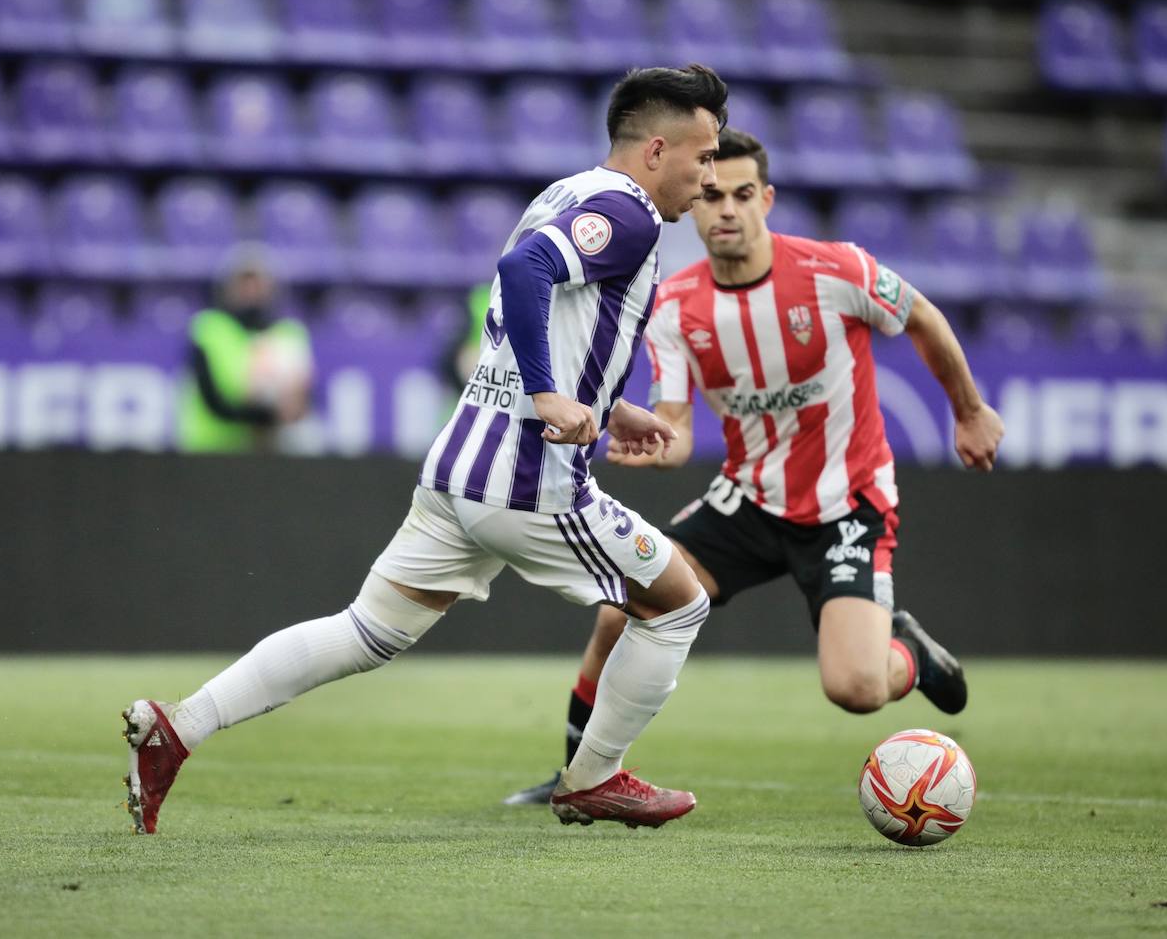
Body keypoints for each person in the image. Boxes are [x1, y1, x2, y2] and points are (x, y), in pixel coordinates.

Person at [122, 64, 729, 834]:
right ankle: (594, 777)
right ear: (654, 149)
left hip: (459, 466)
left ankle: (179, 727)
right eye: (702, 157)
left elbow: (537, 315)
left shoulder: (565, 193)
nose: (708, 178)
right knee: (678, 603)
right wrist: (549, 397)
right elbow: (525, 270)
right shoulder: (630, 211)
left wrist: (613, 409)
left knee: (365, 630)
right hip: (527, 482)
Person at [503, 128, 1005, 805]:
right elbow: (676, 425)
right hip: (747, 500)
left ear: (765, 199)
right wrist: (661, 446)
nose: (727, 210)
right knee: (622, 607)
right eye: (711, 196)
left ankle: (907, 652)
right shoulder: (676, 304)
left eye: (742, 194)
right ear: (694, 203)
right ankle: (574, 775)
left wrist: (969, 410)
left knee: (855, 688)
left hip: (847, 505)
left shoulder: (838, 271)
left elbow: (922, 317)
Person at [179, 254, 313, 453]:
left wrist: (292, 408)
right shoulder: (209, 328)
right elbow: (211, 398)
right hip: (211, 452)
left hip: (268, 453)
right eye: (243, 283)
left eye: (257, 283)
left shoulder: (289, 333)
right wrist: (266, 416)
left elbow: (304, 398)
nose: (251, 291)